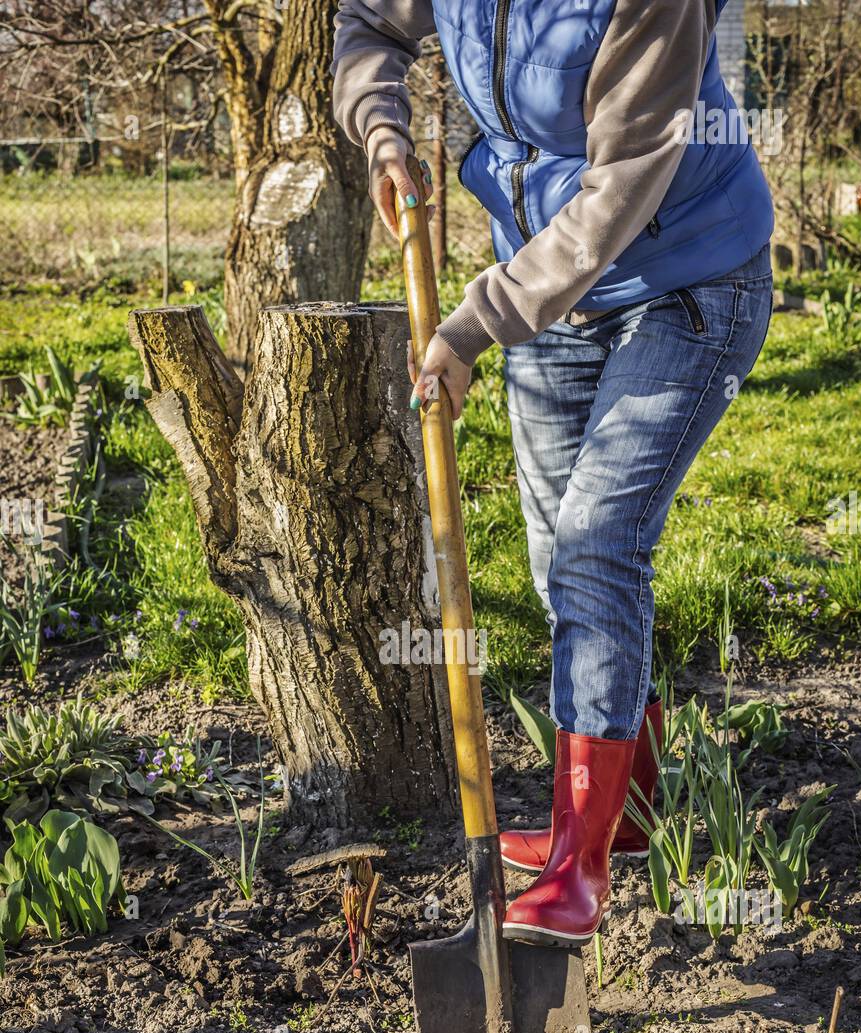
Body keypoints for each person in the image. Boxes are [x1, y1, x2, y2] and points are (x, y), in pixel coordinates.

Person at [331, 0, 774, 947]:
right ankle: (631, 813)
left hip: (687, 276)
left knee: (596, 547)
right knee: (557, 564)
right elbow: (367, 20)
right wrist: (382, 130)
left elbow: (623, 185)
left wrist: (475, 323)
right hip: (549, 294)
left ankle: (581, 866)